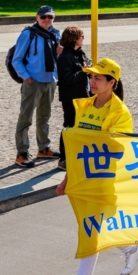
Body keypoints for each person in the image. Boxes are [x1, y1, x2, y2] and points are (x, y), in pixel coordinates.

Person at [54, 57, 138, 275]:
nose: (92, 81)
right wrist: (66, 179)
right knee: (94, 227)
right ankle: (132, 248)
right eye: (91, 77)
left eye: (98, 78)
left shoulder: (120, 113)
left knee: (89, 231)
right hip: (82, 178)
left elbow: (119, 150)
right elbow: (77, 149)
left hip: (103, 180)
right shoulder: (85, 105)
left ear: (112, 82)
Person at [12, 6, 61, 168]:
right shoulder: (28, 34)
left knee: (44, 116)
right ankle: (22, 152)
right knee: (25, 117)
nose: (47, 20)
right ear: (37, 17)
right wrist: (26, 77)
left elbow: (57, 58)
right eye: (43, 17)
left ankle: (43, 148)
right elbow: (16, 59)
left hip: (50, 80)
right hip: (33, 81)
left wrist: (60, 52)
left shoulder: (55, 34)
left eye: (50, 17)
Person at [56, 26, 90, 168]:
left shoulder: (80, 53)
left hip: (83, 96)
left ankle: (77, 155)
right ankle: (64, 158)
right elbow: (67, 79)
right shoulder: (64, 57)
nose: (83, 39)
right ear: (74, 39)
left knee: (81, 127)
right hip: (70, 98)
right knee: (69, 127)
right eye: (81, 36)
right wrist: (84, 71)